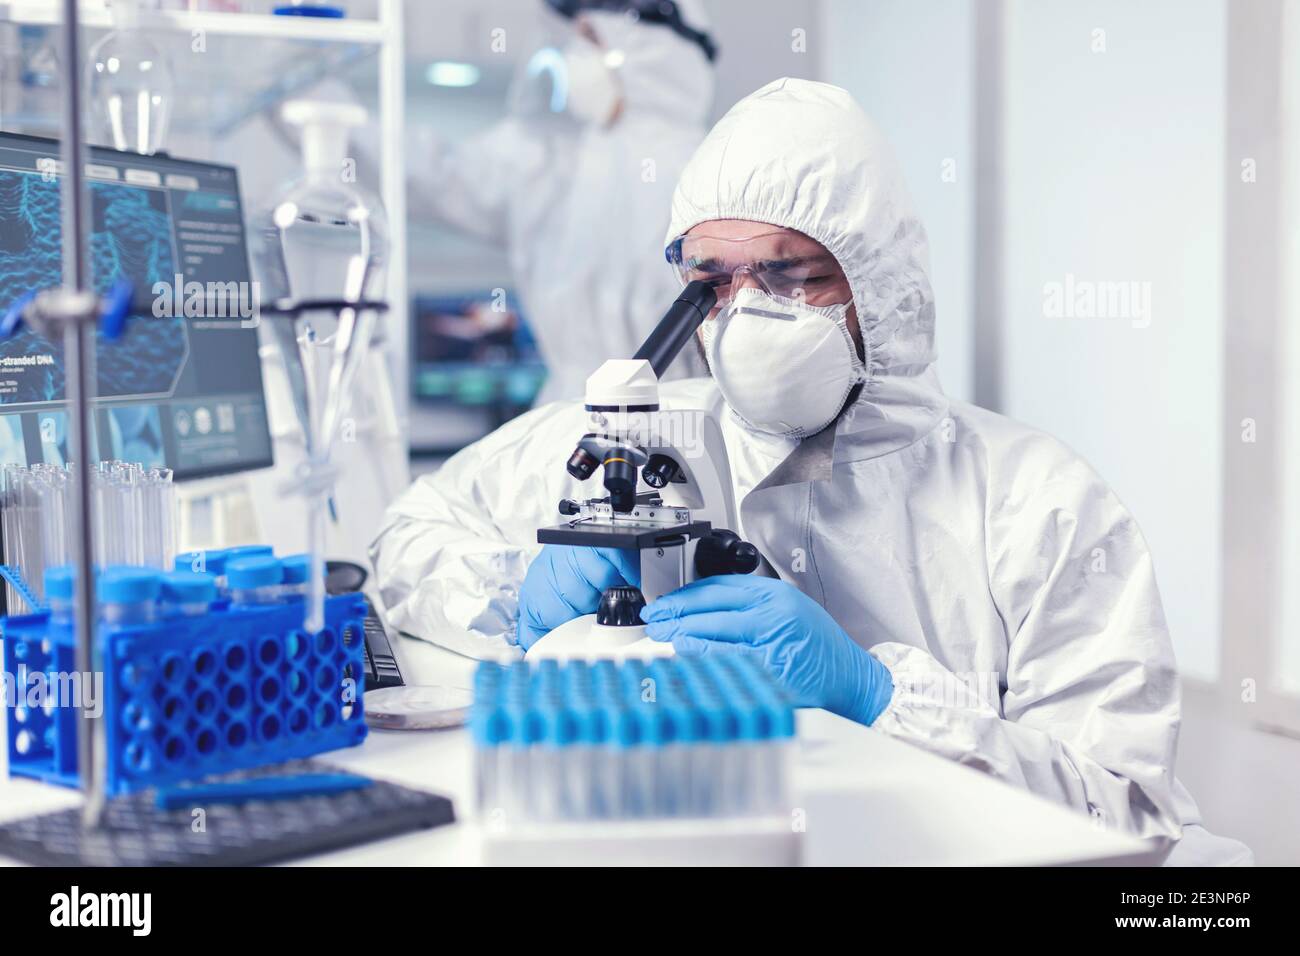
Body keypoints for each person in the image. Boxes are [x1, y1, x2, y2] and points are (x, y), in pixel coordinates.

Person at [372, 78, 1251, 865]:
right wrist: (513, 588)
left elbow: (1129, 821)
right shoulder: (630, 441)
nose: (748, 315)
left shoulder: (1040, 504)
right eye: (714, 280)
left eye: (791, 276)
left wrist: (878, 698)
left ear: (880, 284)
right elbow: (400, 543)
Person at [410, 0, 715, 403]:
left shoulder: (711, 178)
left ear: (652, 49)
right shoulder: (556, 165)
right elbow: (432, 174)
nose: (574, 55)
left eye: (591, 38)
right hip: (566, 421)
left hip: (681, 422)